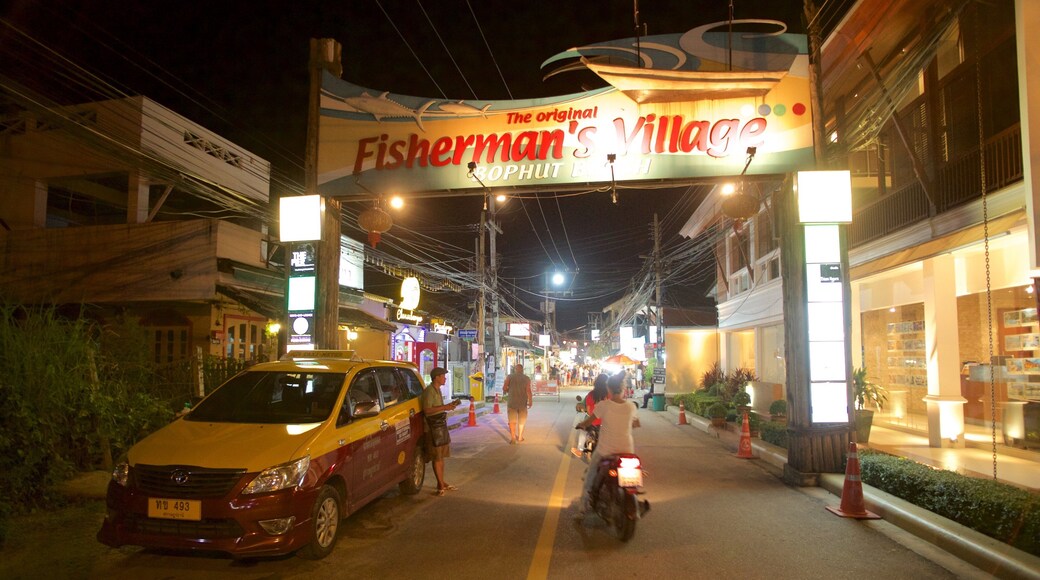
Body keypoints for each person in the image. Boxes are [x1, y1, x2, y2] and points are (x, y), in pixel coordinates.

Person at [574, 372, 640, 518]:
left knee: (590, 477)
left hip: (605, 450)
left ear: (609, 389)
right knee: (633, 480)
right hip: (627, 450)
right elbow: (636, 424)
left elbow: (589, 421)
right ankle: (635, 504)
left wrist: (581, 425)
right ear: (623, 389)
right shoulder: (630, 407)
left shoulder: (604, 406)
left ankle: (582, 509)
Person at [421, 367, 460, 495]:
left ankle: (441, 482)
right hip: (433, 428)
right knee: (437, 457)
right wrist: (445, 407)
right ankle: (440, 486)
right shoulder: (429, 392)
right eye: (443, 376)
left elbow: (437, 408)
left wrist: (448, 407)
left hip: (440, 426)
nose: (445, 378)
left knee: (441, 457)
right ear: (436, 377)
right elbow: (427, 410)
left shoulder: (437, 391)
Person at [572, 374, 609, 458]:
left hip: (592, 421)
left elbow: (588, 410)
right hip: (605, 421)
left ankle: (580, 450)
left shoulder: (591, 394)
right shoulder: (609, 395)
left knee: (583, 431)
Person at [502, 363, 532, 444]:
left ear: (515, 369)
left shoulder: (509, 377)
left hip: (512, 403)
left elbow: (504, 388)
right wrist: (530, 401)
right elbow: (528, 390)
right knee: (522, 421)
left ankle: (513, 438)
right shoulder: (526, 378)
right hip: (523, 403)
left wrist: (509, 391)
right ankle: (520, 437)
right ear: (522, 370)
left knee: (512, 421)